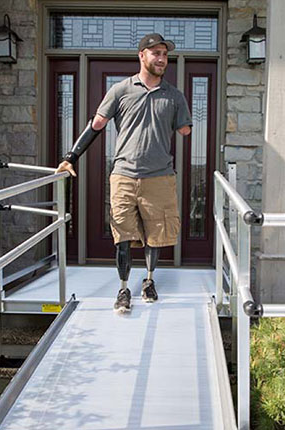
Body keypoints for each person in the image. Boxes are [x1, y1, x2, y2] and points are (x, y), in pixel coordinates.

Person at [56, 33, 192, 313]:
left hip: (160, 177)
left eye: (165, 55)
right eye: (156, 53)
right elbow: (97, 125)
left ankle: (149, 281)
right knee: (123, 235)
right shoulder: (120, 90)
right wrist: (71, 157)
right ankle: (123, 289)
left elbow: (185, 128)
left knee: (156, 235)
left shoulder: (174, 95)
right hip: (124, 176)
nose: (162, 59)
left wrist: (180, 121)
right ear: (142, 55)